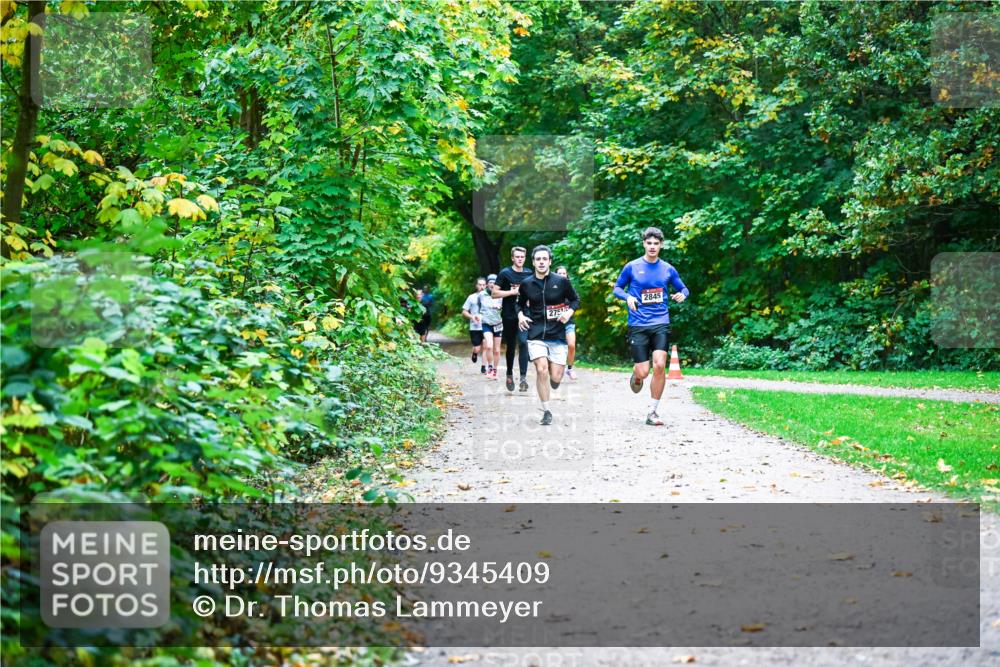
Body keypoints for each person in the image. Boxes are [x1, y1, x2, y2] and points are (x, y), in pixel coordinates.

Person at [612, 227, 689, 426]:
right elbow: (617, 288)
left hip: (660, 322)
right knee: (644, 372)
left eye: (656, 244)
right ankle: (636, 376)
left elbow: (683, 288)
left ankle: (653, 412)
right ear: (644, 244)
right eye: (649, 243)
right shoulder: (632, 267)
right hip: (638, 323)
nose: (653, 247)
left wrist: (683, 294)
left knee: (660, 365)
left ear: (661, 245)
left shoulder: (668, 269)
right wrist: (628, 297)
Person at [517, 245, 580, 425]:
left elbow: (575, 300)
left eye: (545, 259)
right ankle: (546, 410)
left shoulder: (561, 281)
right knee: (541, 369)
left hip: (557, 335)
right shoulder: (527, 284)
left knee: (555, 377)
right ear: (534, 262)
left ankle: (556, 379)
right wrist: (521, 315)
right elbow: (519, 304)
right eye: (538, 259)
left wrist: (569, 312)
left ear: (550, 262)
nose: (542, 262)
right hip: (536, 334)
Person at [492, 247, 533, 392]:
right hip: (509, 314)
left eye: (522, 256)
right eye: (517, 257)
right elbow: (494, 293)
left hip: (525, 314)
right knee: (511, 345)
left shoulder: (529, 273)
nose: (520, 259)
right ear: (512, 258)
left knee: (523, 342)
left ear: (525, 257)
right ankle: (509, 373)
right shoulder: (505, 273)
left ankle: (523, 378)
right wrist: (512, 292)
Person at [479, 274, 504, 379]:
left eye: (494, 282)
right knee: (489, 345)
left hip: (498, 324)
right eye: (490, 282)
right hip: (486, 323)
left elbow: (506, 306)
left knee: (497, 350)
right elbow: (482, 305)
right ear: (487, 284)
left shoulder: (501, 294)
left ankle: (494, 370)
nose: (492, 284)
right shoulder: (482, 294)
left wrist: (501, 306)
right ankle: (489, 367)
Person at [555, 266, 578, 380]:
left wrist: (569, 312)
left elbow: (576, 301)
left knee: (571, 345)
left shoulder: (570, 289)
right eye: (559, 273)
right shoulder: (550, 288)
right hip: (554, 324)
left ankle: (570, 368)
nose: (562, 275)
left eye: (564, 273)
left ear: (566, 275)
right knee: (557, 348)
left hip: (568, 322)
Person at [461, 277, 487, 373]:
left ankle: (484, 367)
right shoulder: (471, 297)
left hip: (486, 325)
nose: (482, 287)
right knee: (477, 348)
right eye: (480, 285)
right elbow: (464, 311)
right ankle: (474, 353)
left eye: (484, 285)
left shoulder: (489, 297)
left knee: (486, 345)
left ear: (486, 286)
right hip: (475, 327)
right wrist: (472, 317)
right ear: (476, 286)